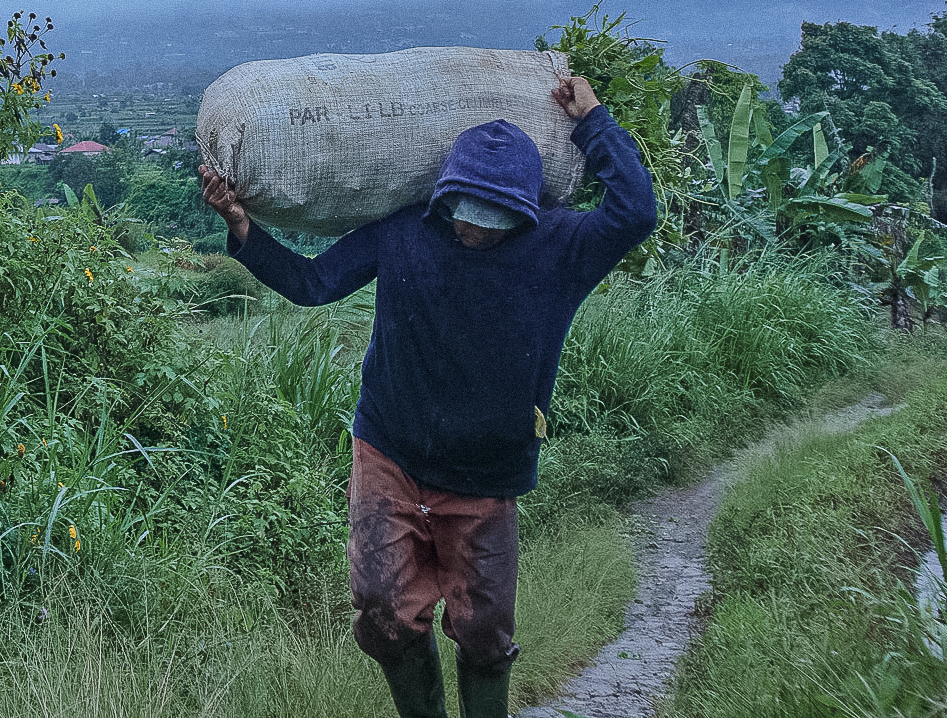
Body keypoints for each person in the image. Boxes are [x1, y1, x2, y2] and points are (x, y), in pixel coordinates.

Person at [198, 74, 657, 718]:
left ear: (524, 210)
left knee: (485, 636)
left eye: (494, 216)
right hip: (388, 456)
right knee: (383, 616)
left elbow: (637, 210)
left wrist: (593, 121)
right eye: (466, 210)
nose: (475, 227)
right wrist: (243, 228)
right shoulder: (405, 231)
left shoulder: (561, 248)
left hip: (486, 476)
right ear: (444, 196)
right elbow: (314, 282)